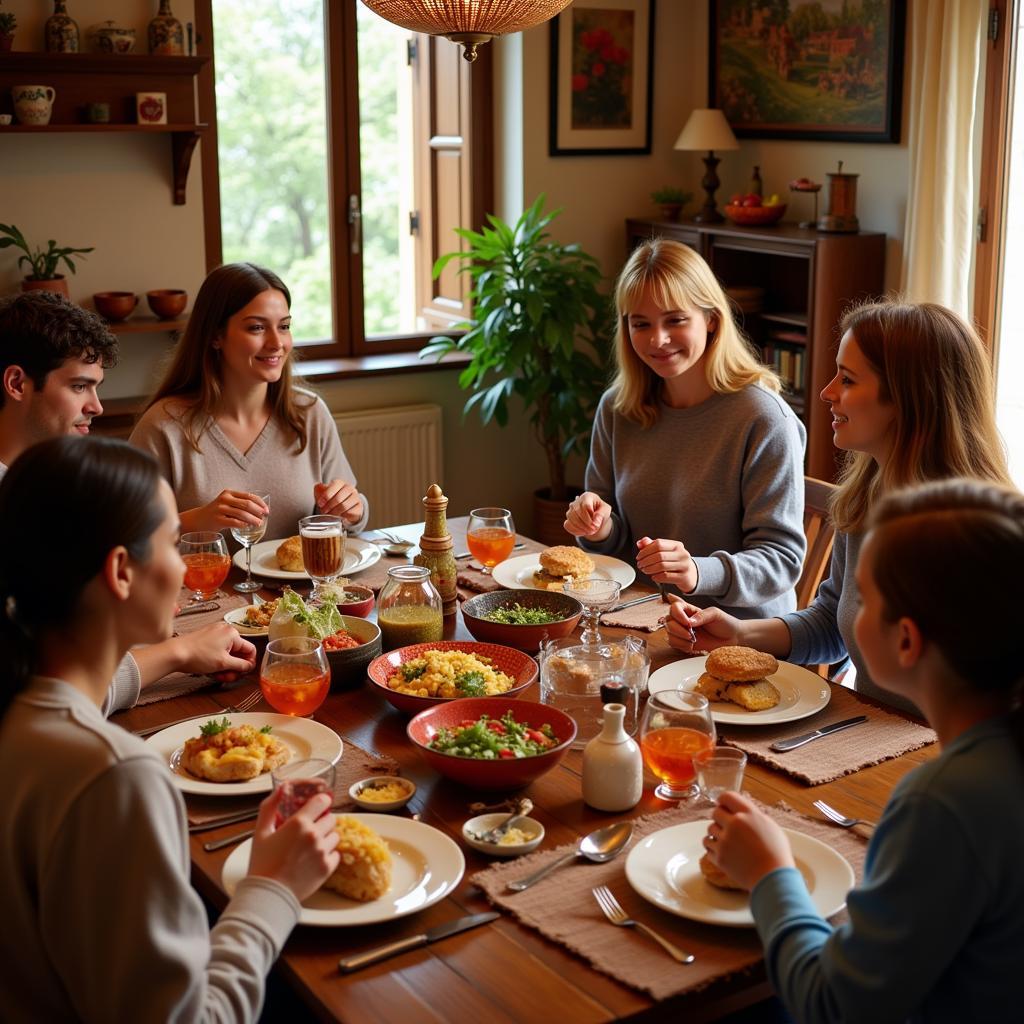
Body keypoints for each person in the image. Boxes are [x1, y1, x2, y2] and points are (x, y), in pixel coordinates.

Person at [0, 435, 341, 1021]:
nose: (186, 567)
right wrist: (274, 886)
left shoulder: (18, 703)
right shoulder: (115, 776)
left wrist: (175, 655)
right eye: (173, 544)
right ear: (121, 572)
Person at [703, 478, 1024, 1022]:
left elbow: (832, 1004)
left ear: (906, 640)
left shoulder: (944, 802)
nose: (852, 609)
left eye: (866, 598)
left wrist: (769, 873)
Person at [666, 300, 1012, 711]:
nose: (826, 392)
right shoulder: (866, 499)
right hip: (867, 730)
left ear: (909, 398)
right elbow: (833, 622)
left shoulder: (986, 541)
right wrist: (741, 634)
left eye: (847, 380)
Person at [0, 291, 255, 713]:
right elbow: (38, 697)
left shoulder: (51, 484)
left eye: (95, 388)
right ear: (16, 383)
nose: (95, 407)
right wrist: (178, 655)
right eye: (79, 386)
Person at [564, 238, 806, 618]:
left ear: (711, 319)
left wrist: (698, 571)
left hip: (739, 636)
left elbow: (781, 561)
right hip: (641, 616)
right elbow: (612, 537)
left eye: (675, 320)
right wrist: (597, 527)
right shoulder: (618, 407)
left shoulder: (763, 418)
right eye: (640, 324)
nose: (657, 339)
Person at [130, 262, 369, 541]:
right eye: (256, 328)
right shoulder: (163, 426)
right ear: (216, 336)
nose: (276, 342)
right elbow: (126, 534)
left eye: (284, 326)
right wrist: (197, 520)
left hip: (302, 586)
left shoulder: (310, 413)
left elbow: (347, 521)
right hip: (203, 585)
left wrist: (354, 510)